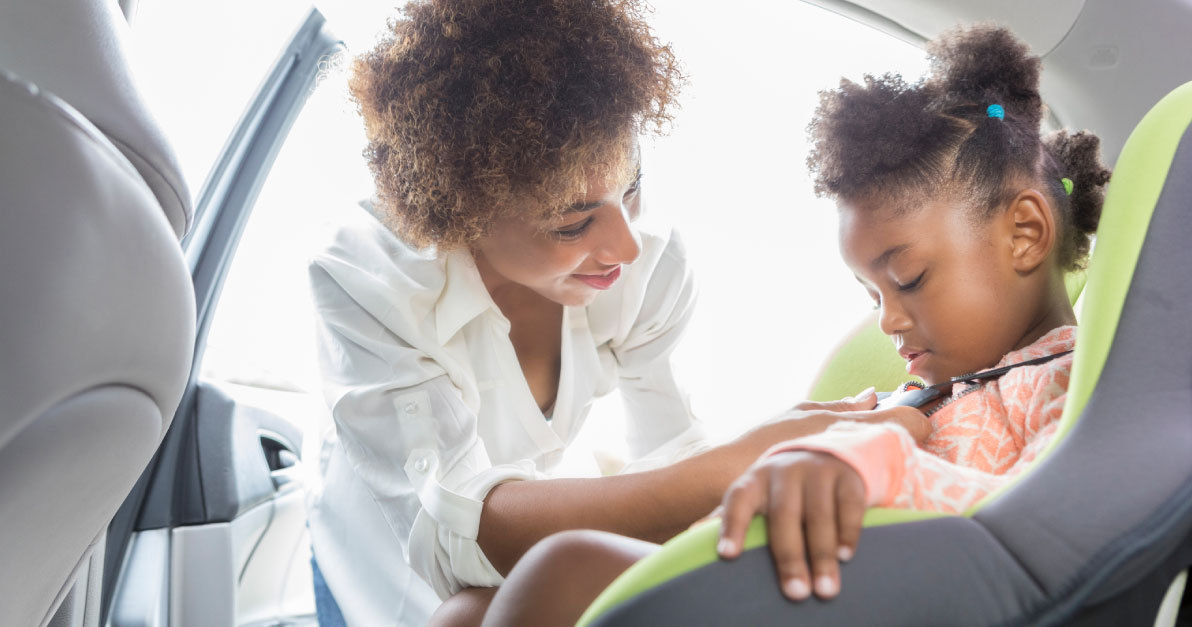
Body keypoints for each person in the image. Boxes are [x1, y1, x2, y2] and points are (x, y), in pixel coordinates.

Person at [305, 1, 927, 625]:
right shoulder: (368, 282)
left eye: (631, 186)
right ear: (463, 211)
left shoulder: (649, 266)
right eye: (574, 222)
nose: (625, 246)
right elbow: (453, 529)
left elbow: (669, 452)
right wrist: (737, 461)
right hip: (376, 552)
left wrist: (761, 464)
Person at [475, 24, 1111, 627]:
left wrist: (871, 461)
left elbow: (1048, 532)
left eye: (909, 277)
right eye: (871, 295)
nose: (888, 319)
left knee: (559, 570)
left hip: (854, 600)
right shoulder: (918, 396)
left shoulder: (1066, 381)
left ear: (1025, 234)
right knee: (469, 609)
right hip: (760, 577)